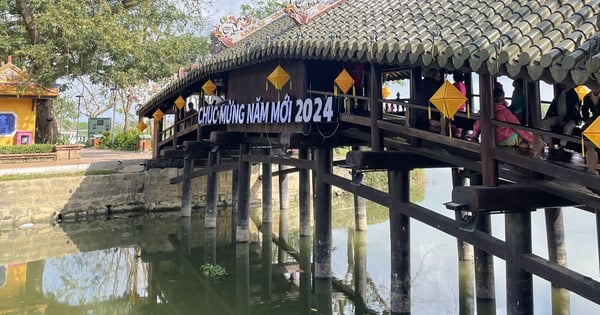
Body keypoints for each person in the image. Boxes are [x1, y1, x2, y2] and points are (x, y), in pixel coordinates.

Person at [467, 88, 533, 148]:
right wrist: (530, 139)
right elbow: (517, 126)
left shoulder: (483, 110)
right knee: (527, 134)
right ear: (502, 99)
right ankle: (526, 145)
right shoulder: (504, 112)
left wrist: (474, 135)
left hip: (490, 139)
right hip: (505, 139)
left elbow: (477, 125)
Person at [540, 84, 581, 149]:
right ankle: (549, 145)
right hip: (559, 116)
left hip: (571, 118)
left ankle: (561, 146)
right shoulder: (559, 93)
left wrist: (565, 120)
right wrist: (547, 115)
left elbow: (573, 111)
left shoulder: (574, 95)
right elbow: (553, 105)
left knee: (569, 126)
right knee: (544, 123)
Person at [581, 88, 600, 174]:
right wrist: (587, 119)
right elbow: (584, 110)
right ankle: (591, 166)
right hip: (594, 121)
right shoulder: (587, 97)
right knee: (588, 140)